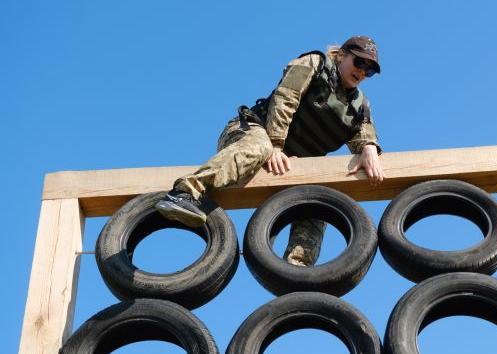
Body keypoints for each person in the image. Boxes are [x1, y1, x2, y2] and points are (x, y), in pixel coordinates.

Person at [155, 35, 385, 266]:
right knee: (260, 147)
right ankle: (185, 192)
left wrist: (369, 148)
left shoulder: (359, 105)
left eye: (370, 71)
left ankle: (296, 272)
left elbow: (364, 134)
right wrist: (275, 144)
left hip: (293, 162)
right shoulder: (316, 64)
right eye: (359, 63)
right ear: (342, 55)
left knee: (318, 199)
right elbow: (286, 97)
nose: (363, 72)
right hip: (253, 132)